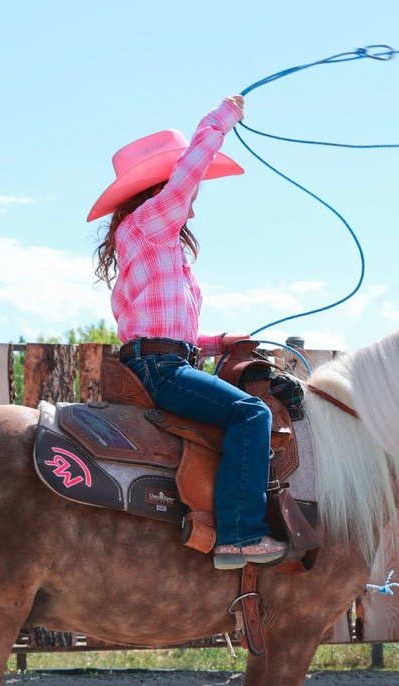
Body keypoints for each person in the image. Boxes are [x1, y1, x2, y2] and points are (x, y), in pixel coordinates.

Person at [89, 95, 286, 570]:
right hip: (161, 366)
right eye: (185, 192)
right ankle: (239, 536)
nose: (192, 206)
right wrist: (222, 119)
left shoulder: (152, 242)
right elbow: (190, 174)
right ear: (160, 188)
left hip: (160, 359)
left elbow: (165, 328)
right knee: (251, 414)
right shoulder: (150, 224)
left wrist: (220, 343)